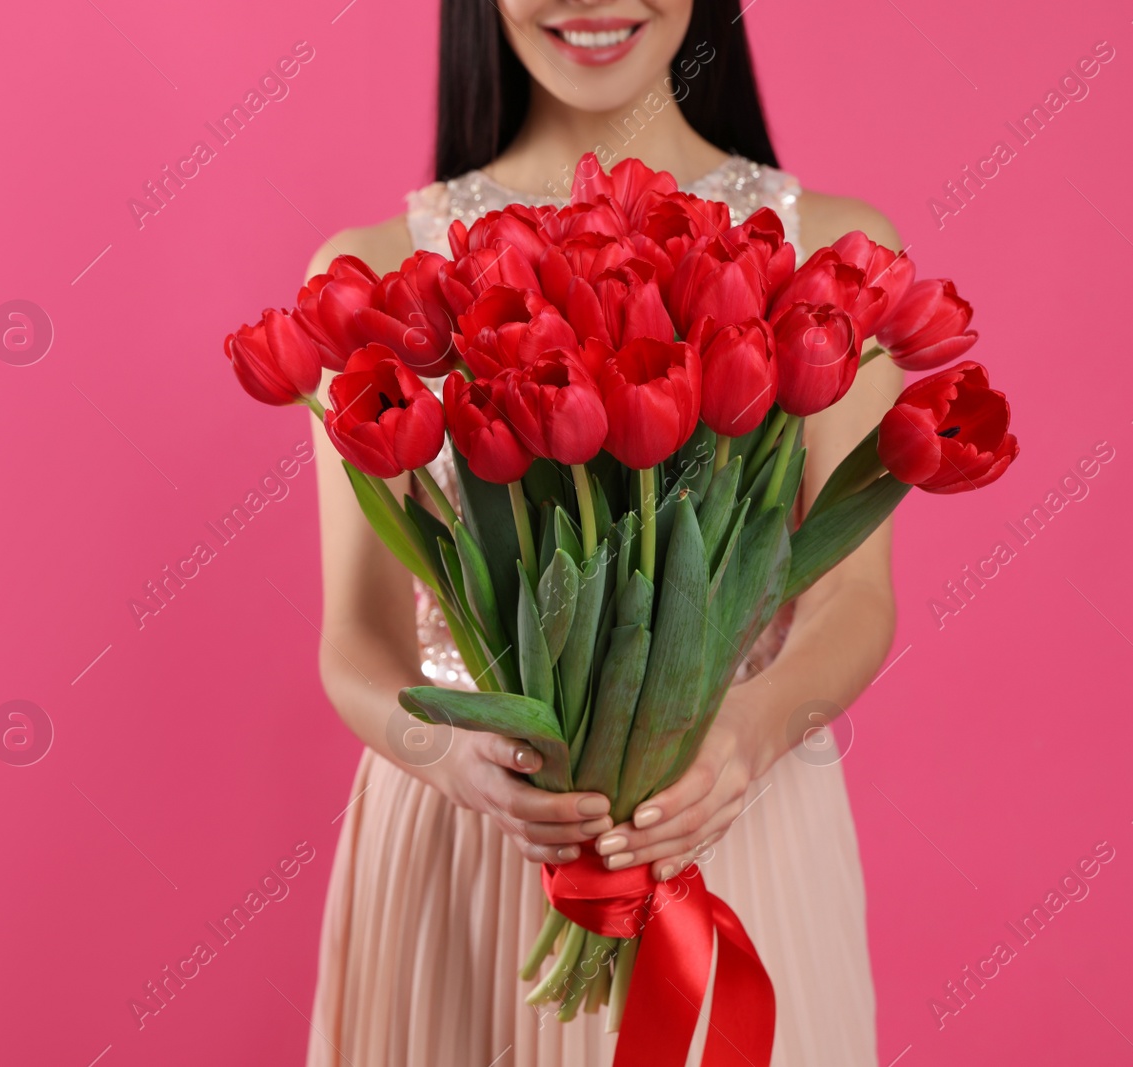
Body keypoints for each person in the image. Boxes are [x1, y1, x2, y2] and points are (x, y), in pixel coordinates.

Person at [304, 2, 902, 1063]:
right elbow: (353, 641)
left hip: (732, 820)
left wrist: (746, 735)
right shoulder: (376, 274)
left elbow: (853, 600)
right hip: (467, 843)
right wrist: (447, 756)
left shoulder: (827, 258)